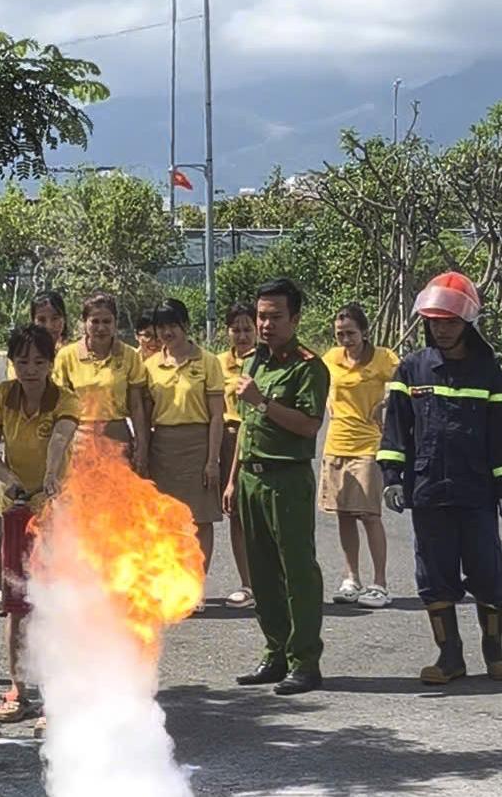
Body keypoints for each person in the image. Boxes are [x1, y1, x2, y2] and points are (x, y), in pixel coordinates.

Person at [377, 272, 502, 685]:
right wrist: (392, 477)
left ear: (467, 323)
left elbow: (501, 430)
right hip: (427, 490)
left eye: (450, 322)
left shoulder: (487, 370)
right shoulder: (411, 369)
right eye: (435, 322)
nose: (441, 329)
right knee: (434, 573)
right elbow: (396, 431)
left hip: (475, 490)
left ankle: (493, 649)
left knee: (488, 570)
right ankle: (450, 656)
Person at [224, 279, 329, 695]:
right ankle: (276, 653)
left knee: (297, 571)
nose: (265, 324)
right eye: (261, 316)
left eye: (274, 317)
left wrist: (264, 402)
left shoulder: (308, 367)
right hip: (251, 475)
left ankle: (305, 660)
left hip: (287, 478)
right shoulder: (255, 362)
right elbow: (246, 429)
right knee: (262, 574)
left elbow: (308, 425)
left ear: (296, 318)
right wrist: (233, 479)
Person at [0, 324, 80, 728]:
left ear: (51, 362)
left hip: (56, 511)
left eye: (39, 361)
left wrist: (53, 475)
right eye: (22, 361)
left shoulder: (65, 399)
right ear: (12, 363)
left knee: (55, 604)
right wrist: (9, 479)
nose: (30, 369)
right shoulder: (2, 396)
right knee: (17, 606)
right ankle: (18, 690)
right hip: (14, 511)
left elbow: (60, 440)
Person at [0, 290, 71, 613]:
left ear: (64, 321)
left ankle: (56, 586)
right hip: (22, 453)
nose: (49, 324)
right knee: (9, 525)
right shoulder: (21, 357)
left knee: (56, 528)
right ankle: (4, 584)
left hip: (60, 449)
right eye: (41, 319)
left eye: (54, 318)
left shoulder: (71, 355)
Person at [145, 300, 225, 611]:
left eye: (173, 325)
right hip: (162, 445)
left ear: (185, 325)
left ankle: (196, 587)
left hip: (198, 443)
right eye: (161, 327)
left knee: (200, 520)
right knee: (165, 522)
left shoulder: (207, 362)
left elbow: (217, 416)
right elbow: (145, 413)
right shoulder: (150, 365)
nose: (167, 332)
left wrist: (212, 459)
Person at [320, 304, 399, 609]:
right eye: (340, 333)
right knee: (343, 513)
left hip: (368, 445)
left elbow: (408, 380)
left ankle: (380, 583)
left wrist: (386, 402)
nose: (345, 339)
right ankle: (351, 577)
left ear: (365, 332)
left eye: (351, 333)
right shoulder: (330, 358)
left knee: (369, 515)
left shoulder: (383, 358)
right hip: (336, 443)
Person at [53, 292, 150, 473]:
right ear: (84, 322)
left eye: (107, 322)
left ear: (115, 323)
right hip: (78, 438)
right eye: (95, 322)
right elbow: (58, 406)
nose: (101, 328)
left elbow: (136, 406)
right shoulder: (67, 356)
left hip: (117, 437)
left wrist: (142, 447)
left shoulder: (129, 356)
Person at [217, 303, 257, 609]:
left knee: (264, 517)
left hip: (256, 439)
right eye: (236, 329)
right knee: (237, 515)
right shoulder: (218, 363)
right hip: (228, 441)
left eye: (247, 328)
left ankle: (270, 581)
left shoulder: (265, 360)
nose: (242, 335)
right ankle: (247, 584)